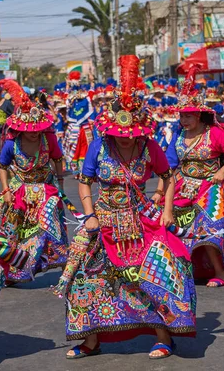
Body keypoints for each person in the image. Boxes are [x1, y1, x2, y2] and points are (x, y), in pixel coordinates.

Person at [63, 56, 196, 360]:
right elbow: (84, 182)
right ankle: (91, 339)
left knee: (159, 272)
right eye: (121, 137)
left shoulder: (149, 146)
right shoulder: (98, 145)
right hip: (105, 219)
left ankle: (164, 337)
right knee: (85, 277)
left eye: (130, 137)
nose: (125, 142)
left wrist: (167, 210)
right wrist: (90, 215)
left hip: (141, 218)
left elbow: (167, 176)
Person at [159, 65, 224, 288]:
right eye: (182, 115)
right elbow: (168, 167)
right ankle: (182, 268)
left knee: (209, 228)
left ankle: (219, 272)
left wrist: (221, 172)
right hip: (181, 186)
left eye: (189, 116)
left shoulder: (215, 133)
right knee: (168, 223)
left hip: (210, 189)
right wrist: (160, 194)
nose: (185, 120)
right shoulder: (178, 135)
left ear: (199, 115)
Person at [0, 79, 68, 284]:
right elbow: (2, 167)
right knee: (15, 231)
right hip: (19, 189)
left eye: (37, 129)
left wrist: (60, 183)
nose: (34, 133)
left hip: (45, 188)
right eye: (30, 131)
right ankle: (15, 269)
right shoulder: (12, 144)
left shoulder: (49, 140)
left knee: (50, 222)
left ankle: (59, 261)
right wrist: (6, 191)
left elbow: (57, 159)